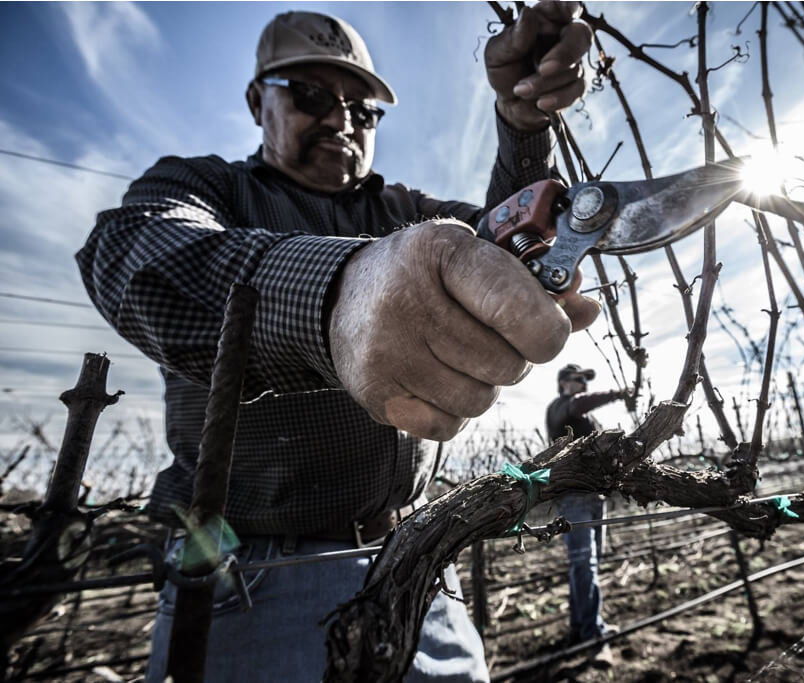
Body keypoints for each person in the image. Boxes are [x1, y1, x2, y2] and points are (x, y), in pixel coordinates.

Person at [76, 7, 597, 681]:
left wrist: (524, 126)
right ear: (256, 99)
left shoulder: (404, 211)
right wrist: (336, 294)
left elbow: (503, 253)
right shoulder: (204, 187)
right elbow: (132, 251)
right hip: (250, 580)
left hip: (412, 560)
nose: (342, 121)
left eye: (363, 110)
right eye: (312, 96)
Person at [545, 364, 630, 652]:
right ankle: (592, 638)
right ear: (562, 382)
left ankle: (583, 626)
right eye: (577, 379)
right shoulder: (560, 408)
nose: (583, 383)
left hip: (595, 497)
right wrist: (619, 393)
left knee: (585, 566)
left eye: (585, 379)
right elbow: (580, 403)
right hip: (573, 498)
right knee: (584, 565)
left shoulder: (585, 416)